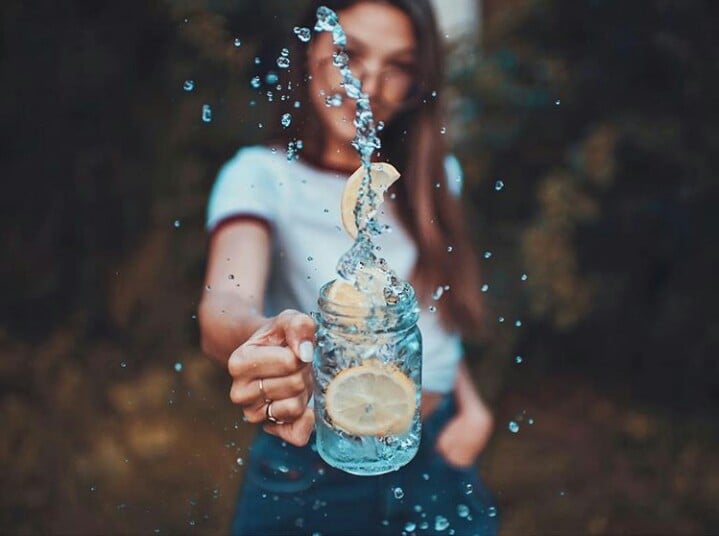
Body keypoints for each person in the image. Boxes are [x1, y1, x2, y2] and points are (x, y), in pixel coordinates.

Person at [198, 1, 499, 534]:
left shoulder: (433, 176)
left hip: (440, 449)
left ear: (418, 81)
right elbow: (227, 299)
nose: (369, 83)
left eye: (399, 65)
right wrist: (260, 337)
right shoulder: (261, 177)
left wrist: (471, 408)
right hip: (316, 461)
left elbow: (426, 314)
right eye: (348, 53)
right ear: (310, 50)